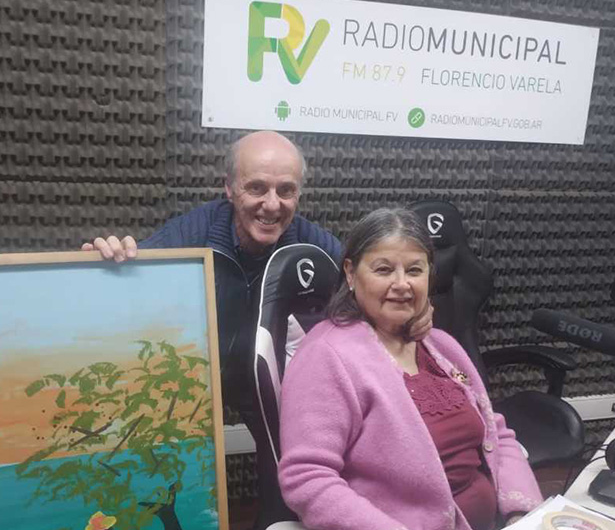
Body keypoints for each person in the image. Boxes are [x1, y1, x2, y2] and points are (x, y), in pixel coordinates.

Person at [82, 131, 432, 426]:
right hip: (200, 386)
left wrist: (414, 310)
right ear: (229, 188)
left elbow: (366, 288)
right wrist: (103, 265)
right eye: (257, 188)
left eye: (286, 190)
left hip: (275, 388)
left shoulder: (313, 245)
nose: (272, 204)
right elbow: (130, 282)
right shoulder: (194, 232)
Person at [277, 208, 542, 530]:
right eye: (384, 269)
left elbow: (496, 434)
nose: (402, 284)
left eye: (414, 270)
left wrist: (522, 515)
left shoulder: (441, 346)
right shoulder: (327, 357)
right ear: (351, 273)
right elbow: (306, 478)